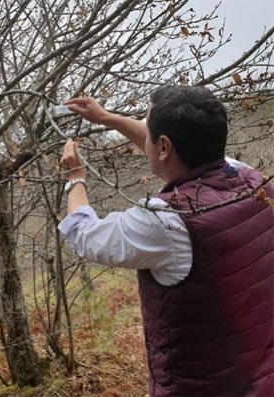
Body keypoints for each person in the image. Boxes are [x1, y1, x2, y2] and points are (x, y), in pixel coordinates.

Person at [58, 85, 273, 396]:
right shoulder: (252, 180)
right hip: (261, 375)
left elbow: (84, 235)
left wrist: (75, 180)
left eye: (149, 136)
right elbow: (166, 142)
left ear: (163, 147)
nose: (143, 139)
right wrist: (106, 118)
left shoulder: (166, 221)